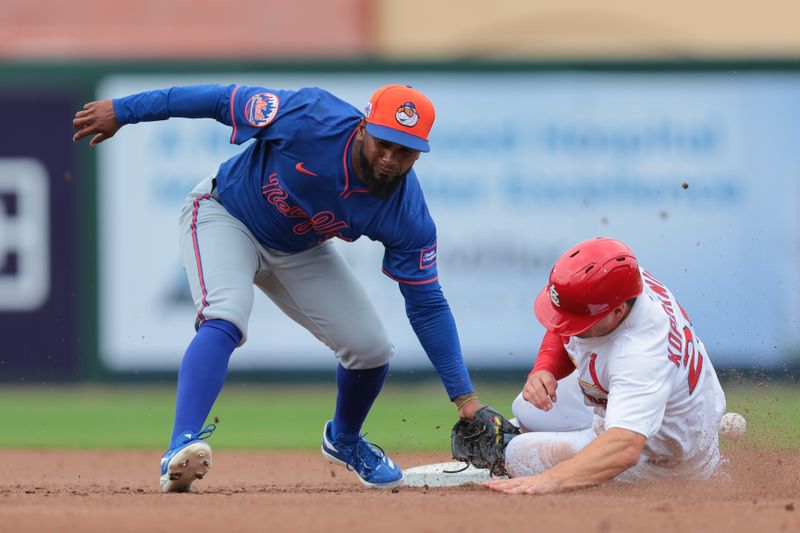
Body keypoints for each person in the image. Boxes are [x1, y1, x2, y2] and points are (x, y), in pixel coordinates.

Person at [72, 82, 487, 492]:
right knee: (225, 315)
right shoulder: (311, 117)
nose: (390, 159)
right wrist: (124, 111)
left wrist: (465, 400)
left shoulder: (407, 212)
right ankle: (181, 443)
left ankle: (344, 440)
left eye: (406, 151)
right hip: (226, 215)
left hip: (299, 249)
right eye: (384, 142)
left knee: (371, 349)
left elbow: (427, 304)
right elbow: (218, 100)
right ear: (362, 127)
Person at [486, 237, 727, 495]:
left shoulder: (639, 354)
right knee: (527, 407)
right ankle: (537, 434)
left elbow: (625, 446)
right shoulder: (621, 285)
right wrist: (544, 368)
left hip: (667, 457)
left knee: (516, 455)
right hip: (670, 397)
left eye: (579, 319)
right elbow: (564, 319)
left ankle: (707, 474)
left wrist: (550, 479)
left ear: (617, 312)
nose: (567, 324)